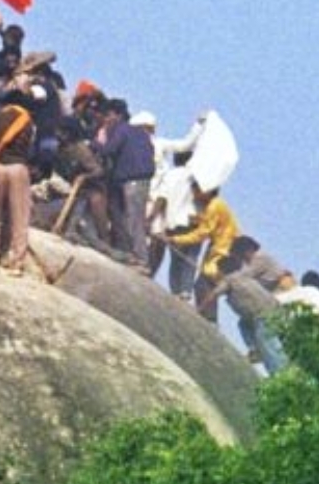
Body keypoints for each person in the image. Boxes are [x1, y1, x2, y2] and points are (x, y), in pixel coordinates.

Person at [162, 180, 241, 322]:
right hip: (222, 246)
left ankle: (209, 319)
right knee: (205, 283)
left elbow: (201, 234)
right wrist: (197, 219)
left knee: (205, 283)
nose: (194, 195)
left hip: (225, 248)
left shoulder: (214, 206)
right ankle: (209, 317)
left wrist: (175, 239)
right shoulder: (215, 205)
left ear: (207, 191)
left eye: (196, 191)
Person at [200, 253, 289, 375]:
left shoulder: (229, 280)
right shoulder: (246, 275)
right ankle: (254, 349)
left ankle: (281, 373)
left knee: (268, 345)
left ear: (222, 271)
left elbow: (213, 294)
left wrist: (200, 309)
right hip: (276, 309)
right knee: (243, 324)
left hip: (263, 315)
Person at [0, 87, 39, 274]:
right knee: (19, 218)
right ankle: (17, 262)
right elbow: (31, 149)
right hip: (18, 167)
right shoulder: (26, 119)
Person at [97, 98, 155, 270]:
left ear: (118, 115)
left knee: (134, 219)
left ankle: (141, 259)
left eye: (108, 115)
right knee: (130, 217)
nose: (106, 119)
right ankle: (132, 253)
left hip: (132, 180)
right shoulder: (139, 133)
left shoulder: (121, 130)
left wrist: (95, 144)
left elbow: (109, 150)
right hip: (141, 179)